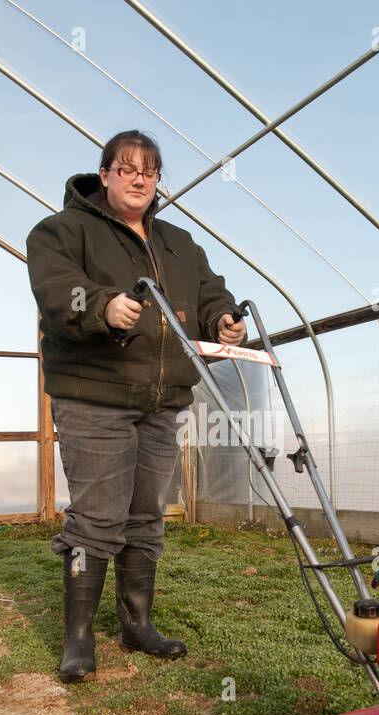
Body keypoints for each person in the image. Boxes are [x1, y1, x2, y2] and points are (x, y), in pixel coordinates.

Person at [25, 130, 247, 683]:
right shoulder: (61, 231)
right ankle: (77, 638)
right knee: (98, 518)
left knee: (146, 516)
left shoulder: (179, 244)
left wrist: (222, 320)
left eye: (149, 171)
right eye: (127, 169)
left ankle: (137, 624)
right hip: (94, 393)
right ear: (104, 176)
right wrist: (102, 306)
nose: (140, 178)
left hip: (162, 398)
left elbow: (210, 293)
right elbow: (58, 293)